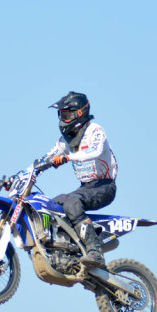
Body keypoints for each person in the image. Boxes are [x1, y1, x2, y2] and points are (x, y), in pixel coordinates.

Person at [41, 91, 118, 268]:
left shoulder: (95, 131)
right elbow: (47, 157)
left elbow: (95, 151)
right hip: (85, 188)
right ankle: (67, 249)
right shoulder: (65, 141)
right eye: (61, 114)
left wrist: (68, 158)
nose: (63, 119)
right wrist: (26, 173)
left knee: (72, 202)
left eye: (67, 115)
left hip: (104, 186)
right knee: (52, 204)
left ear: (79, 114)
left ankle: (95, 251)